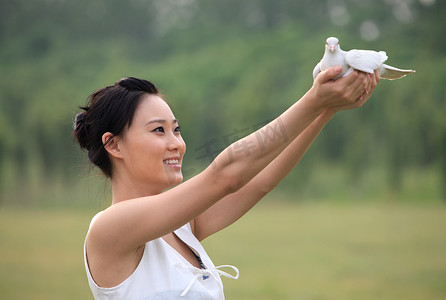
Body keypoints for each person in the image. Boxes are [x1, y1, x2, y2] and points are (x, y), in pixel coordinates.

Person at [73, 66, 380, 299]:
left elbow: (261, 180)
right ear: (114, 145)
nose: (176, 144)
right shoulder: (109, 229)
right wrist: (312, 101)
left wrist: (327, 109)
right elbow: (226, 175)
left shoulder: (182, 226)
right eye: (158, 131)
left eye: (176, 130)